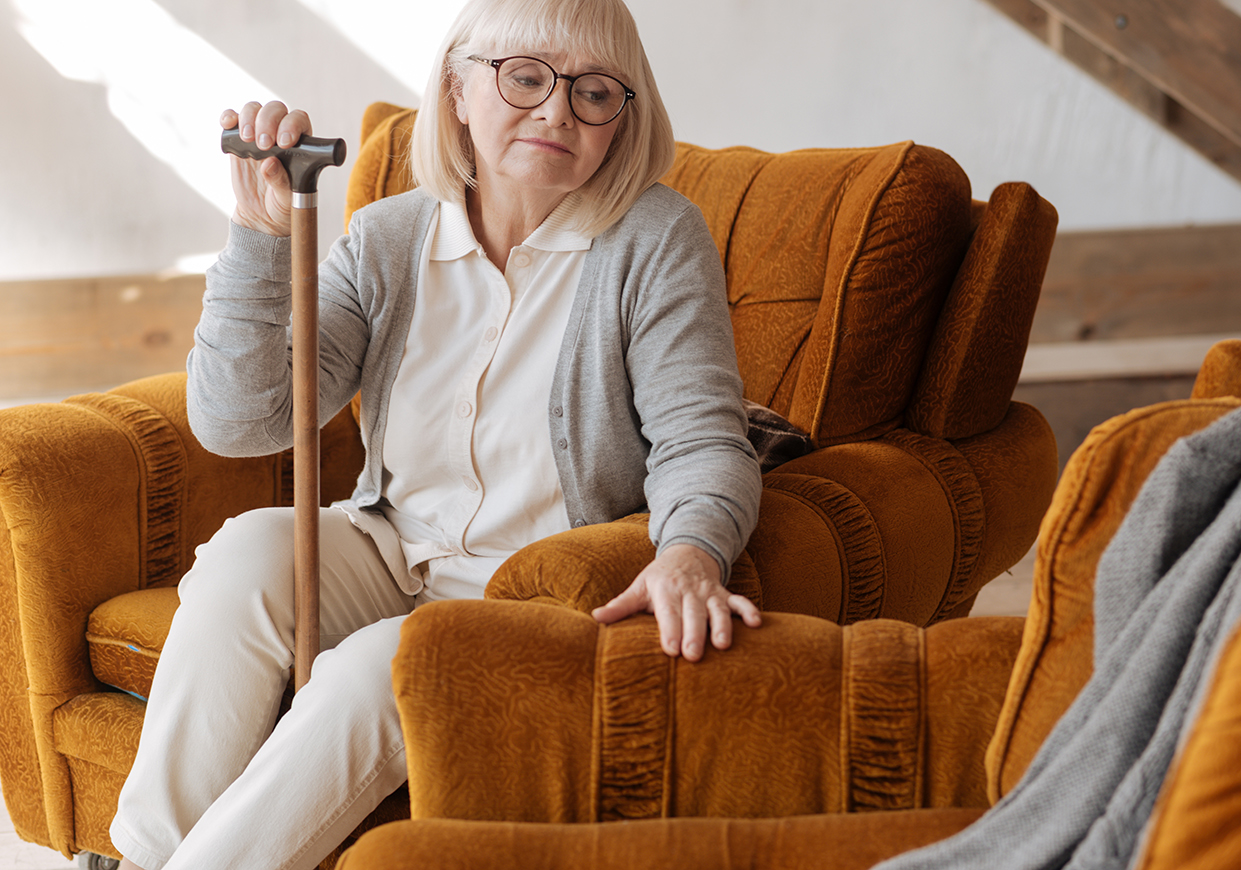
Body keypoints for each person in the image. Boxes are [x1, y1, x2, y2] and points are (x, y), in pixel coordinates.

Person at [109, 0, 762, 867]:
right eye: (525, 77)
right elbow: (243, 423)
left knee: (377, 670)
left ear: (621, 121)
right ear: (458, 88)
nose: (558, 110)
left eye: (596, 92)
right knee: (242, 555)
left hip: (534, 588)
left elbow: (701, 438)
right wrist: (262, 238)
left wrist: (693, 551)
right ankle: (140, 858)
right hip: (391, 547)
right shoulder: (390, 237)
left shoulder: (653, 238)